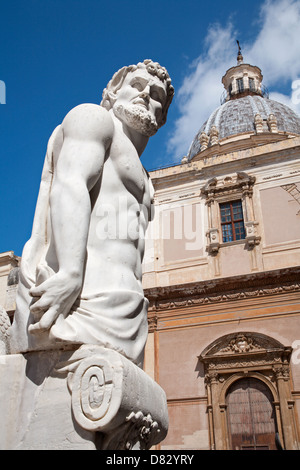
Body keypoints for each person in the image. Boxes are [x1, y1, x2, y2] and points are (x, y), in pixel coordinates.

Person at [10, 60, 174, 367]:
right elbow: (70, 184)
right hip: (79, 300)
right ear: (112, 92)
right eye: (136, 85)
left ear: (161, 116)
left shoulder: (146, 179)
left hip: (129, 309)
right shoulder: (94, 119)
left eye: (156, 95)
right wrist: (71, 273)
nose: (145, 96)